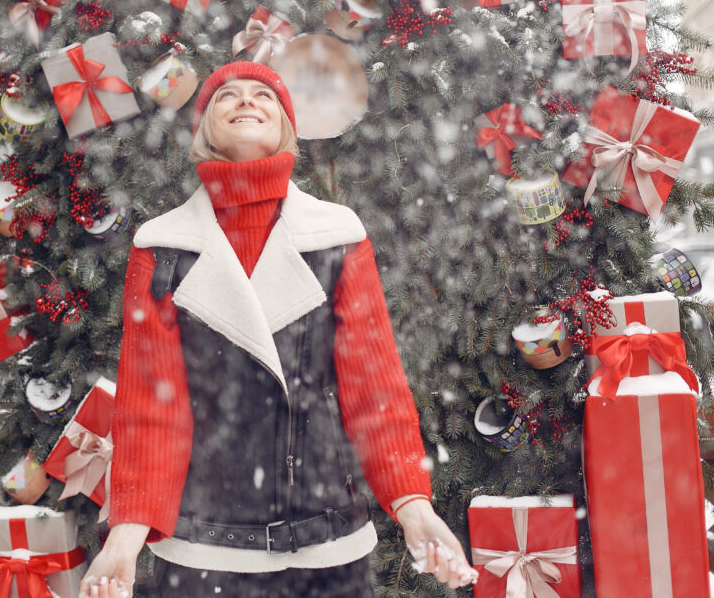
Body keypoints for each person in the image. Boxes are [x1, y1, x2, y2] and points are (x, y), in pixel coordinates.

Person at [78, 62, 476, 597]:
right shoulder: (161, 247)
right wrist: (124, 540)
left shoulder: (337, 237)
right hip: (203, 548)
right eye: (227, 96)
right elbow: (151, 407)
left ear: (285, 124)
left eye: (263, 93)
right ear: (205, 130)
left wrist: (414, 508)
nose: (246, 100)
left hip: (327, 542)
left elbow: (374, 390)